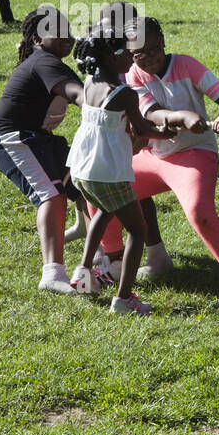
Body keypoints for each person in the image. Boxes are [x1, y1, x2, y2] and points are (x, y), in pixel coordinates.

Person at [89, 17, 219, 309]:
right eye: (140, 53)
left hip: (195, 155)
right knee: (103, 185)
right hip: (153, 157)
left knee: (199, 213)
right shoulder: (134, 76)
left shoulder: (187, 64)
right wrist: (183, 117)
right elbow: (151, 114)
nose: (150, 57)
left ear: (164, 42)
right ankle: (113, 263)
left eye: (155, 49)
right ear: (130, 55)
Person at [66, 27, 175, 315]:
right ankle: (125, 299)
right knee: (137, 232)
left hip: (82, 168)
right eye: (127, 52)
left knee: (103, 211)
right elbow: (142, 130)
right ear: (113, 59)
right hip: (107, 170)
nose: (132, 56)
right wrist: (167, 133)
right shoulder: (124, 93)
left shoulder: (90, 83)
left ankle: (83, 273)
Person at [0, 7, 84, 293]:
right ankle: (52, 274)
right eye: (57, 31)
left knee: (83, 180)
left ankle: (99, 253)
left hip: (37, 137)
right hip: (11, 138)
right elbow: (79, 95)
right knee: (51, 194)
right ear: (38, 39)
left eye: (69, 31)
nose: (67, 36)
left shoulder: (48, 60)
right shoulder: (44, 61)